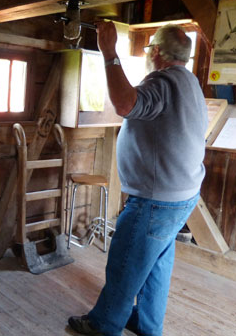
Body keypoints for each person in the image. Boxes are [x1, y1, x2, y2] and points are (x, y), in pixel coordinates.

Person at [68, 21, 208, 336]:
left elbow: (124, 104)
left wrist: (109, 54)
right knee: (156, 265)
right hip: (181, 196)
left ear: (156, 51)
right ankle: (146, 325)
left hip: (156, 201)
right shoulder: (189, 82)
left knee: (126, 265)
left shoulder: (163, 81)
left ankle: (103, 325)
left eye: (148, 48)